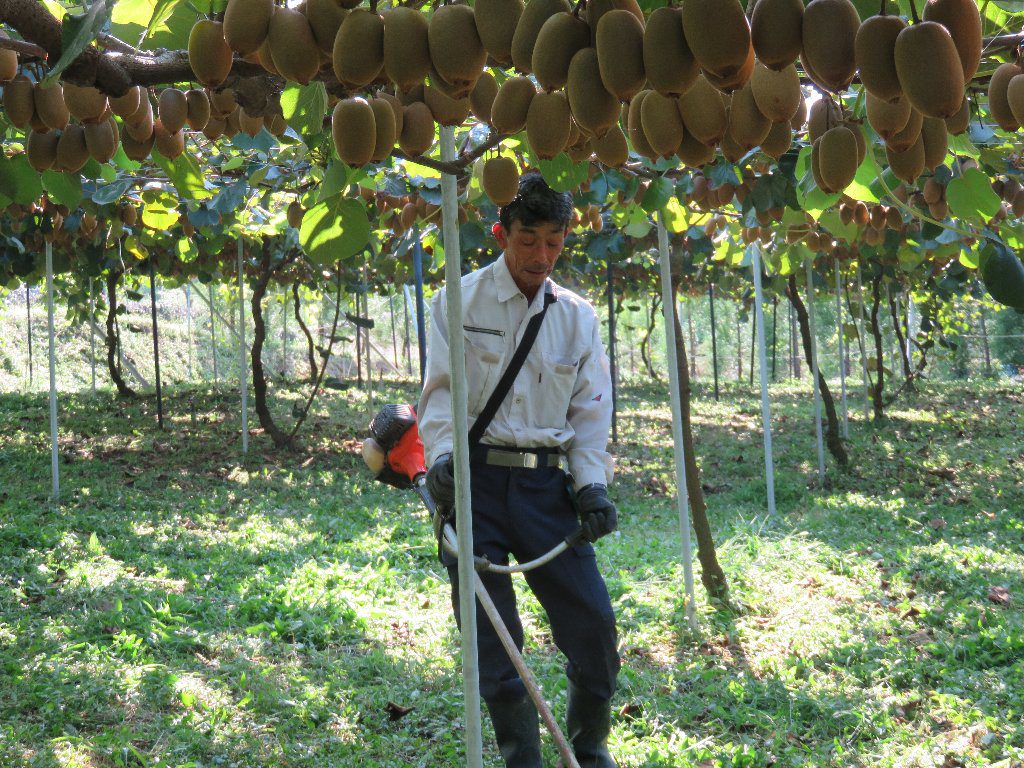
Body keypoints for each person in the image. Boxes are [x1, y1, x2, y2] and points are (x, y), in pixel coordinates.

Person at [417, 173, 620, 768]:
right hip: (475, 485)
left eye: (554, 243)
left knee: (595, 629)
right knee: (493, 642)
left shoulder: (577, 317)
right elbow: (440, 397)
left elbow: (590, 411)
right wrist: (444, 462)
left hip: (544, 489)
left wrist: (591, 486)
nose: (540, 256)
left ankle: (589, 746)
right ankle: (521, 759)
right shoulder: (459, 300)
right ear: (501, 234)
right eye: (528, 239)